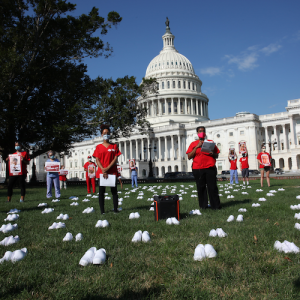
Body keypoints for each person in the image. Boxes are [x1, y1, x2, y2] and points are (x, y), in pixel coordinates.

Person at [186, 126, 221, 210]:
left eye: (203, 131)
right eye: (200, 131)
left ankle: (215, 206)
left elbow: (216, 155)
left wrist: (212, 153)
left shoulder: (210, 142)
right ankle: (203, 206)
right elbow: (189, 156)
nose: (202, 132)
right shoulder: (193, 144)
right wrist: (197, 147)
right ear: (197, 133)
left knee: (212, 187)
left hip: (210, 167)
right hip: (198, 168)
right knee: (201, 187)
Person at [93, 125, 121, 214]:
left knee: (114, 192)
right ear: (101, 135)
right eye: (104, 133)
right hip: (101, 172)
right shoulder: (98, 147)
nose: (106, 135)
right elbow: (97, 159)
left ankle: (115, 209)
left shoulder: (114, 146)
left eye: (108, 133)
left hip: (112, 171)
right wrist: (103, 169)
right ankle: (102, 211)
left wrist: (108, 168)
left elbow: (115, 158)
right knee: (101, 192)